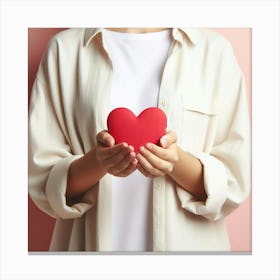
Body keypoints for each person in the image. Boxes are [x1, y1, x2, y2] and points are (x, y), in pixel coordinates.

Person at [28, 27, 250, 252]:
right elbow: (43, 181)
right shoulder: (65, 50)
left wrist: (175, 162)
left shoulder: (214, 51)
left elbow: (234, 182)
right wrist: (98, 161)